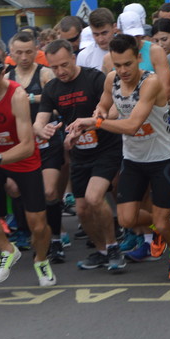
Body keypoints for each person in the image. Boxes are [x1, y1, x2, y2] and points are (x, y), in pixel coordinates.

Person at [67, 34, 170, 279]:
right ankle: (163, 225)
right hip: (133, 159)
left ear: (139, 59)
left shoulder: (150, 83)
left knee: (164, 224)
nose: (122, 70)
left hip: (161, 158)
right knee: (126, 219)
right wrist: (94, 118)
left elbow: (132, 125)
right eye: (117, 64)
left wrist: (95, 122)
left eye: (127, 64)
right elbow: (105, 107)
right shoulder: (111, 79)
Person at [0, 52, 56, 286]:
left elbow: (27, 146)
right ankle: (8, 250)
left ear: (3, 73)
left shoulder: (17, 95)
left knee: (38, 224)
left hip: (22, 161)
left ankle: (41, 260)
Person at [36, 39, 123, 272]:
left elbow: (114, 110)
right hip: (80, 155)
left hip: (106, 148)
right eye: (54, 68)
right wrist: (42, 130)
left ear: (74, 58)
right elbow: (39, 121)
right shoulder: (51, 89)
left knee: (95, 198)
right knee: (83, 209)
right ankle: (102, 250)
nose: (60, 71)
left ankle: (114, 248)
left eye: (64, 65)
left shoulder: (94, 78)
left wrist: (94, 123)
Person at [7, 31, 64, 261]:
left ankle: (57, 238)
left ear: (36, 50)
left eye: (29, 52)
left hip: (47, 141)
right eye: (19, 52)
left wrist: (30, 99)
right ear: (11, 53)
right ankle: (29, 233)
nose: (24, 57)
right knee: (14, 188)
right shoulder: (6, 77)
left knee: (49, 191)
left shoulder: (45, 74)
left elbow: (59, 106)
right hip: (21, 144)